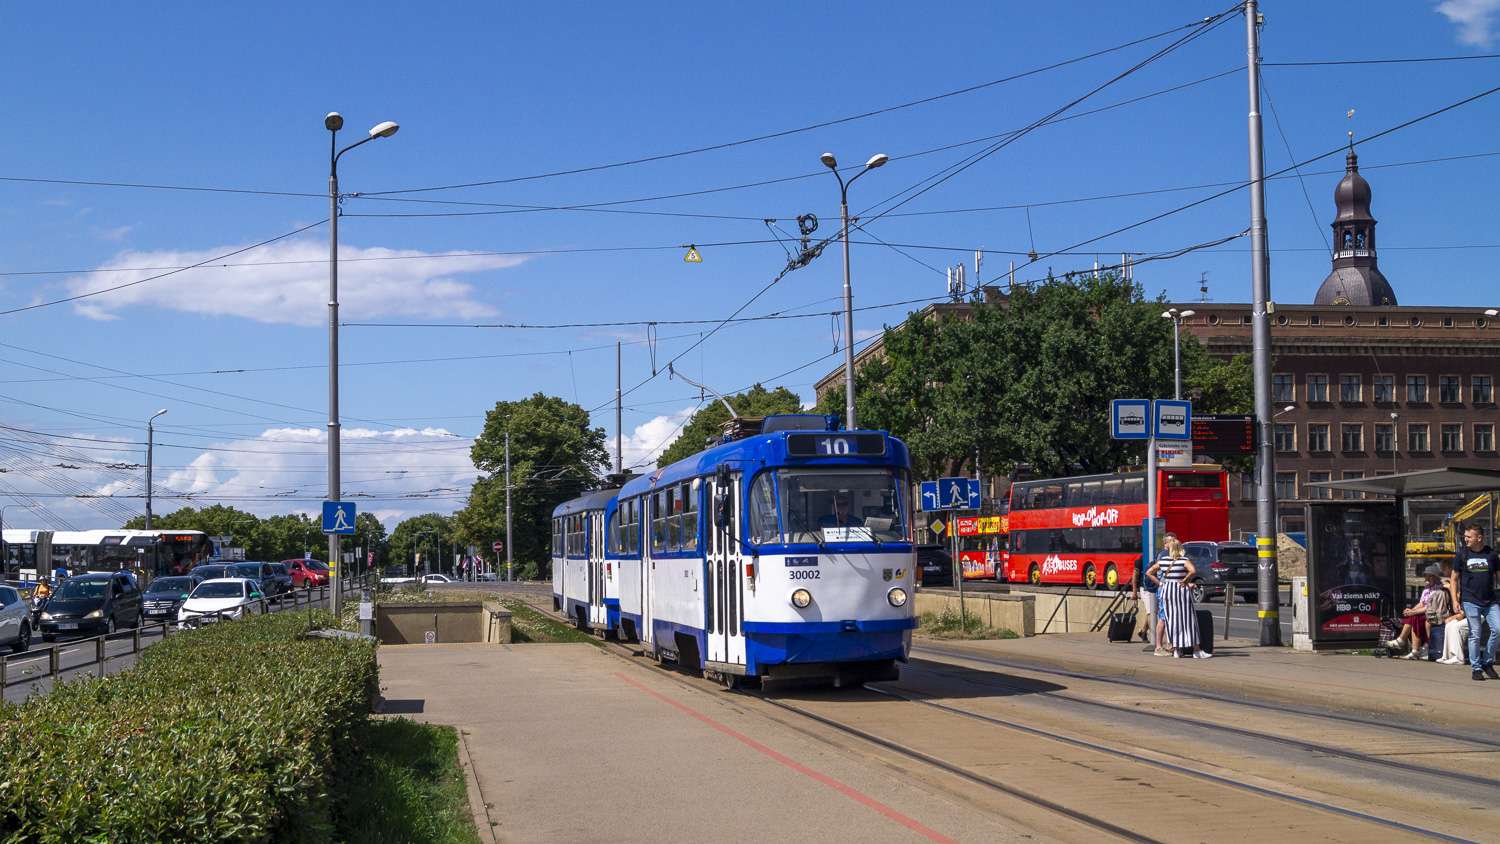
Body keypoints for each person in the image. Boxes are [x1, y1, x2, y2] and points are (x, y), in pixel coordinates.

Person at [1147, 533, 1211, 659]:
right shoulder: (1183, 560)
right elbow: (1193, 570)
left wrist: (1160, 583)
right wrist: (1186, 579)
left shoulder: (1163, 561)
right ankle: (1197, 651)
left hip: (1167, 590)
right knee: (1188, 620)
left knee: (1172, 621)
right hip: (1180, 590)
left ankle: (1176, 650)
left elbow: (1149, 572)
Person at [1450, 525, 1500, 681]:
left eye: (1469, 537)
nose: (1466, 539)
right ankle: (1476, 668)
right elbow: (1453, 579)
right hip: (1470, 600)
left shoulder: (1491, 555)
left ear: (1479, 538)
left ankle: (1486, 661)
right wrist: (1455, 600)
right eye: (1465, 536)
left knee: (1498, 629)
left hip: (1490, 600)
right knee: (1475, 633)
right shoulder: (1462, 555)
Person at [1387, 567, 1438, 659]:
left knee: (1414, 618)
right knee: (1413, 618)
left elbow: (1430, 607)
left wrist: (1413, 612)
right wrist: (1411, 611)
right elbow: (1422, 603)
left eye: (1429, 576)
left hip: (1435, 613)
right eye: (1426, 576)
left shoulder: (1438, 589)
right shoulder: (1426, 588)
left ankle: (1405, 643)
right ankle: (1414, 650)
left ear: (1436, 577)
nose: (1427, 579)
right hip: (1426, 612)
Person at [1129, 554, 1158, 652]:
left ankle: (1143, 632)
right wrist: (1134, 592)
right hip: (1145, 589)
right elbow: (1135, 575)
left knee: (1151, 612)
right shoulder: (1140, 560)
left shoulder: (1159, 558)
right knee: (1151, 613)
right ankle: (1155, 640)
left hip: (1156, 588)